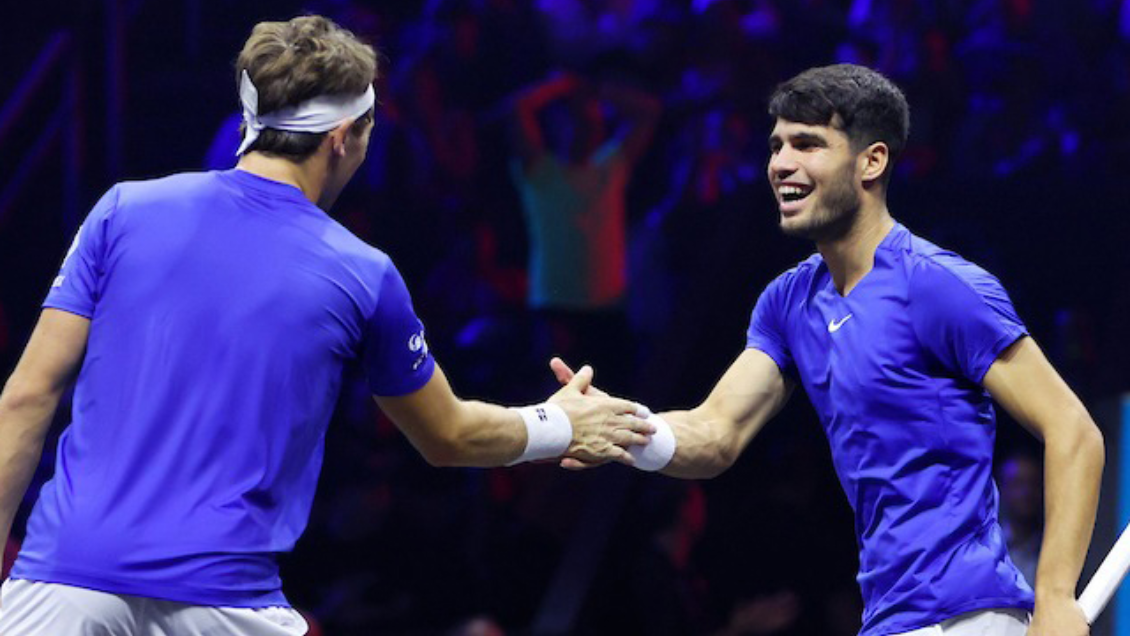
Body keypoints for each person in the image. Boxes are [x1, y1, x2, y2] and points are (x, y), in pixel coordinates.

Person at [0, 15, 652, 635]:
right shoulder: (361, 272)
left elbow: (26, 398)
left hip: (57, 586)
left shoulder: (122, 210)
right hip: (220, 601)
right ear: (344, 137)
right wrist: (562, 423)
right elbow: (448, 436)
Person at [552, 64, 1104, 636]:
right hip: (889, 619)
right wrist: (621, 429)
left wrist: (1057, 596)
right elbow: (715, 435)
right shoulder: (787, 303)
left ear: (872, 161)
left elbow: (1073, 430)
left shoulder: (939, 286)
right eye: (777, 145)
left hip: (968, 616)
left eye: (808, 144)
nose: (781, 164)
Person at [511, 71, 661, 394]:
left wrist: (601, 89)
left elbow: (649, 111)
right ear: (561, 125)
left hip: (607, 309)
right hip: (556, 310)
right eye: (578, 118)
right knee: (555, 412)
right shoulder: (541, 173)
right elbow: (519, 109)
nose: (586, 125)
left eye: (592, 119)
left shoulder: (609, 168)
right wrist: (563, 85)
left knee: (616, 406)